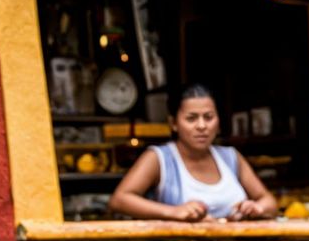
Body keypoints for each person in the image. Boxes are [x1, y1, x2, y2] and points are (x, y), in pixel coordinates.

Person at [109, 83, 277, 221]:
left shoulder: (230, 157)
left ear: (218, 122)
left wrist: (257, 208)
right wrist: (174, 212)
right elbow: (120, 200)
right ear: (173, 123)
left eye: (209, 117)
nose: (202, 126)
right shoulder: (160, 159)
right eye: (191, 118)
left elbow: (269, 201)